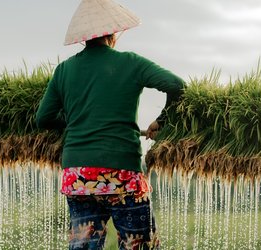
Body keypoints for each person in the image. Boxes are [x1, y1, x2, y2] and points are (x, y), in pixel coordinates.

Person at [35, 0, 184, 249]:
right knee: (139, 245)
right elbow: (177, 85)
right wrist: (162, 120)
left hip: (79, 175)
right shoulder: (131, 62)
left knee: (84, 246)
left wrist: (75, 122)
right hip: (123, 173)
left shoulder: (64, 70)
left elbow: (43, 118)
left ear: (85, 39)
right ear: (113, 33)